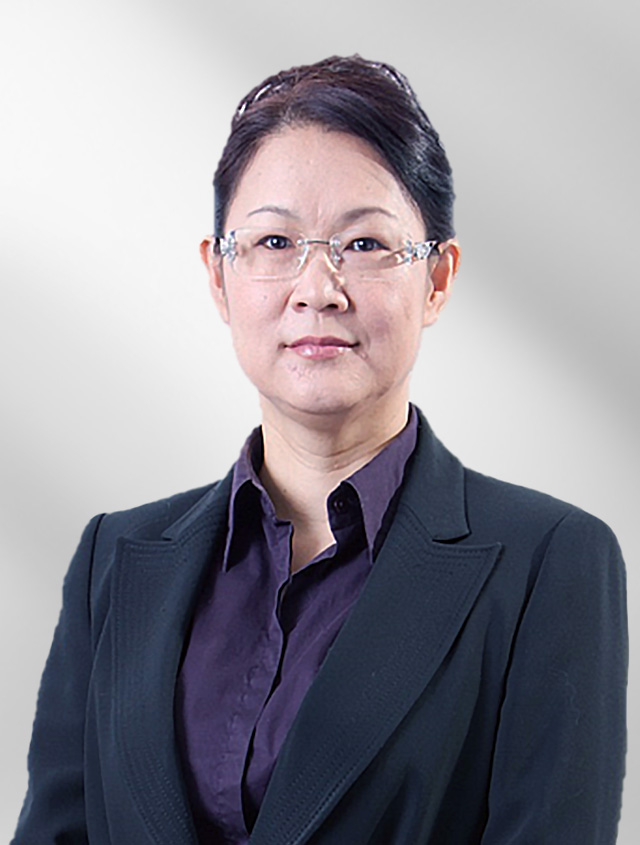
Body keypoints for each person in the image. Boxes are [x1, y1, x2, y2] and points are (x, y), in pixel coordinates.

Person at [13, 55, 627, 845]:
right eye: (274, 240)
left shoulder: (548, 563)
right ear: (219, 275)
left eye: (365, 243)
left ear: (438, 278)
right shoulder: (114, 559)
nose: (317, 288)